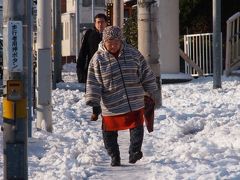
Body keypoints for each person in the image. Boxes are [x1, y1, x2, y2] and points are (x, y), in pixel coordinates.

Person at [85, 26, 158, 166]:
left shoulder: (133, 53)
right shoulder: (98, 59)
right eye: (110, 42)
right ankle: (114, 156)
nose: (113, 45)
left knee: (137, 126)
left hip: (134, 99)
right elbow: (93, 80)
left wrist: (150, 88)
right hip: (111, 103)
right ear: (104, 41)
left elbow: (145, 72)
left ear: (121, 41)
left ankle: (134, 152)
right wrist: (93, 101)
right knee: (109, 131)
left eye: (116, 42)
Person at [76, 13, 107, 83]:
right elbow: (83, 54)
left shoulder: (110, 35)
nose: (100, 24)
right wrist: (81, 74)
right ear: (95, 23)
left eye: (102, 22)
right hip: (92, 69)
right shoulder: (90, 35)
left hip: (107, 70)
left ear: (106, 23)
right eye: (98, 22)